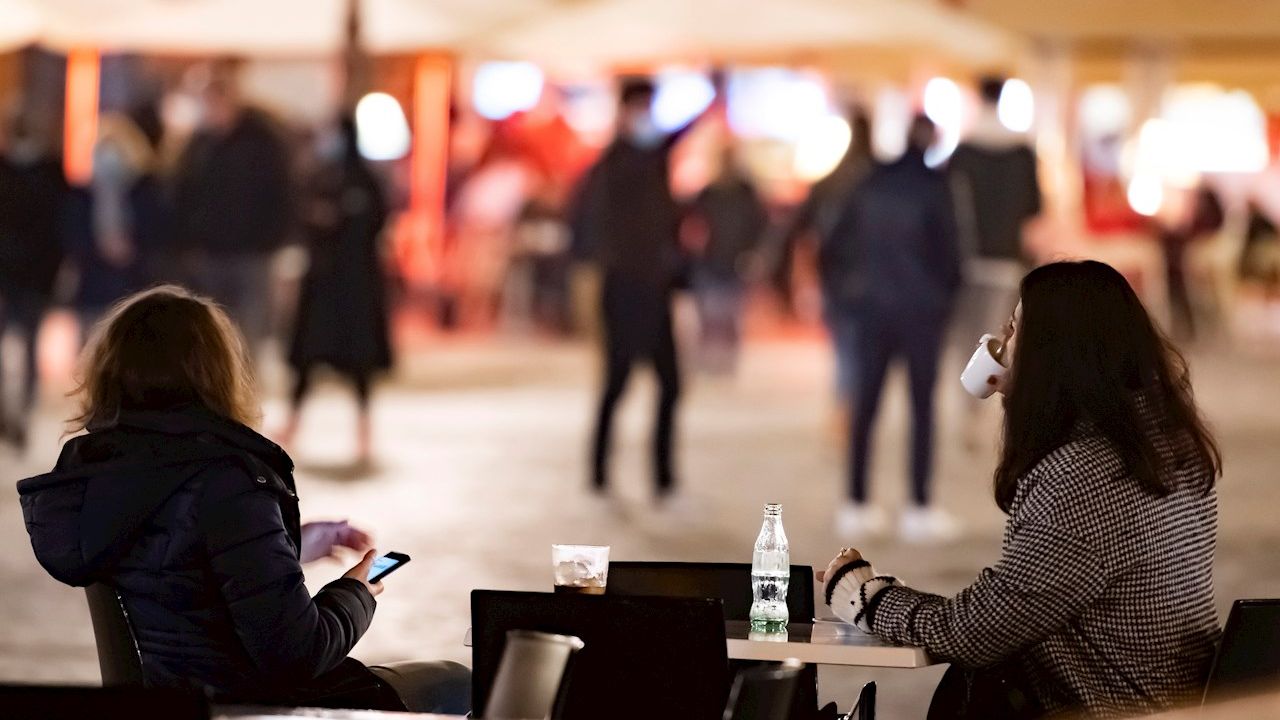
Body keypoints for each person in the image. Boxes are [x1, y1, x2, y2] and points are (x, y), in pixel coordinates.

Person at [17, 286, 469, 712]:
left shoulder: (106, 479)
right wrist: (356, 591)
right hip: (255, 707)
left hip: (170, 702)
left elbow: (177, 565)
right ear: (217, 374)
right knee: (456, 683)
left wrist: (288, 546)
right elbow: (298, 653)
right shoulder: (224, 481)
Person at [821, 260, 1222, 718]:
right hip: (1172, 701)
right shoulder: (1168, 449)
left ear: (1051, 355)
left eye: (1012, 331)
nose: (998, 346)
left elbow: (977, 631)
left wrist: (865, 597)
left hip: (1108, 706)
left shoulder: (1085, 478)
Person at [573, 76, 712, 506]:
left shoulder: (652, 159)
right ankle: (599, 474)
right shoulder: (614, 163)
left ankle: (663, 481)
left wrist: (715, 87)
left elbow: (678, 135)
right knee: (616, 383)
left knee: (669, 384)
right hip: (624, 290)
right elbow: (588, 226)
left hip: (655, 290)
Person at [826, 115, 962, 541]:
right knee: (922, 408)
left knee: (866, 404)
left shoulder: (869, 182)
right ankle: (918, 506)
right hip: (921, 311)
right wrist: (945, 302)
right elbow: (952, 253)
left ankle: (856, 501)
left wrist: (847, 296)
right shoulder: (936, 187)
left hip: (870, 309)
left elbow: (833, 244)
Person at [280, 118, 391, 463]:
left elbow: (373, 222)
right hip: (324, 282)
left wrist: (338, 220)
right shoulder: (321, 178)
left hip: (354, 285)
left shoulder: (363, 180)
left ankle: (364, 429)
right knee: (308, 359)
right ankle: (293, 423)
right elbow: (301, 216)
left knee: (359, 363)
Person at [172, 63, 294, 354]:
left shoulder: (262, 141)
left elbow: (282, 192)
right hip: (209, 252)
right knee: (211, 331)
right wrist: (189, 240)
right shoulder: (199, 145)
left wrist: (271, 239)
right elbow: (183, 194)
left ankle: (245, 381)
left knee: (249, 329)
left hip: (251, 252)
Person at [948, 76, 1042, 438]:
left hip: (967, 260)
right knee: (996, 336)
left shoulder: (963, 152)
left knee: (966, 336)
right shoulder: (1022, 152)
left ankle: (967, 407)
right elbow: (1034, 208)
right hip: (1007, 259)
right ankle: (983, 411)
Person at [781, 108, 874, 410]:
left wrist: (808, 272)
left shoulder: (832, 182)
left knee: (844, 345)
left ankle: (845, 404)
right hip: (873, 278)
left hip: (838, 275)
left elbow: (804, 230)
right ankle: (854, 404)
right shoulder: (879, 182)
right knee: (861, 347)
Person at [62, 114, 171, 345]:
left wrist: (132, 248)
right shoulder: (82, 195)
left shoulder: (146, 190)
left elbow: (158, 232)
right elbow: (72, 235)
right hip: (94, 287)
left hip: (137, 285)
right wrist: (100, 249)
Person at [0, 108, 68, 451]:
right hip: (14, 274)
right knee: (21, 344)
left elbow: (60, 226)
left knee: (28, 343)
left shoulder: (50, 172)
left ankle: (21, 413)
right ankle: (9, 414)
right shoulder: (28, 171)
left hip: (34, 275)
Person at [687, 146, 768, 374]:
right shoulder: (708, 194)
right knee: (708, 315)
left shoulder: (746, 193)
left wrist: (755, 253)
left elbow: (760, 225)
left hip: (737, 262)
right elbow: (692, 223)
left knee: (730, 315)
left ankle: (726, 361)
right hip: (710, 261)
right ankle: (707, 360)